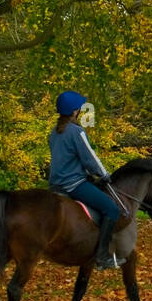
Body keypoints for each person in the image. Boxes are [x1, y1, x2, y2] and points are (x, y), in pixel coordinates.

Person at [48, 90, 124, 269]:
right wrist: (104, 174)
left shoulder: (54, 132)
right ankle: (102, 256)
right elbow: (89, 157)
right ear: (75, 111)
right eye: (79, 108)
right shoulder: (76, 131)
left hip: (55, 185)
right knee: (112, 209)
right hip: (73, 185)